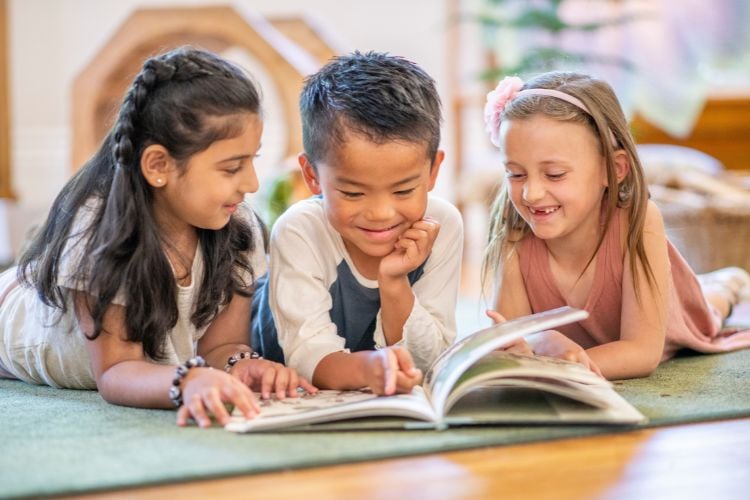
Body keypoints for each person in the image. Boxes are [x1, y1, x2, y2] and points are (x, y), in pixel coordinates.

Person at [0, 47, 315, 428]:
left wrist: (243, 364)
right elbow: (116, 372)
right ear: (159, 166)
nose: (250, 183)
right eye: (232, 168)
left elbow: (220, 346)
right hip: (14, 321)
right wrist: (188, 381)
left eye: (252, 161)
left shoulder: (238, 227)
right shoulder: (101, 235)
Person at [482, 71, 750, 380]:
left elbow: (641, 353)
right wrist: (539, 340)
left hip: (679, 311)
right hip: (578, 350)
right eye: (516, 174)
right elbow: (508, 339)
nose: (531, 193)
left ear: (613, 170)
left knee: (707, 308)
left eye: (554, 174)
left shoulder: (640, 219)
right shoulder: (513, 235)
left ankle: (726, 284)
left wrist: (564, 365)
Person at [251, 51, 463, 395]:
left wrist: (394, 282)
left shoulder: (442, 225)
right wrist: (374, 368)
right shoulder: (299, 230)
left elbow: (430, 360)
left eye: (403, 189)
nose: (381, 213)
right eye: (352, 193)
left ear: (433, 171)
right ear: (312, 175)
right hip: (277, 359)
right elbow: (306, 355)